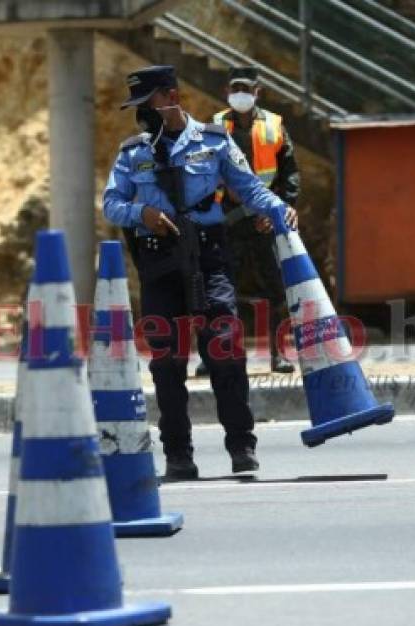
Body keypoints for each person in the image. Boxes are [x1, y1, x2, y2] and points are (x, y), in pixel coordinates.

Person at [103, 65, 298, 480]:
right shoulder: (132, 151)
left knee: (225, 349)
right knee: (168, 362)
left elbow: (250, 188)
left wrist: (280, 210)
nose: (142, 115)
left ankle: (242, 446)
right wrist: (144, 213)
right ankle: (178, 455)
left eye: (147, 104)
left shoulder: (213, 141)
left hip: (208, 258)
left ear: (170, 96)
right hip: (159, 263)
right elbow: (111, 203)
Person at [194, 66, 300, 377]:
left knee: (276, 289)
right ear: (228, 92)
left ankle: (278, 355)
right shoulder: (214, 126)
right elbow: (201, 172)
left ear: (257, 92)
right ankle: (215, 353)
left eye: (246, 88)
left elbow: (289, 173)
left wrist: (282, 209)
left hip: (264, 221)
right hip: (225, 220)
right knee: (218, 288)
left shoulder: (274, 126)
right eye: (234, 88)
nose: (240, 94)